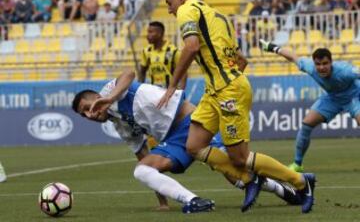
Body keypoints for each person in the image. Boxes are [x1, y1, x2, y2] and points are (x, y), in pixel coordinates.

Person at [157, 0, 316, 213]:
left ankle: (301, 181)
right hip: (216, 91)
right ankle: (250, 180)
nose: (170, 10)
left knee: (240, 157)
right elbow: (241, 60)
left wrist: (172, 85)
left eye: (169, 4)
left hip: (226, 90)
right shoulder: (217, 16)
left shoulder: (186, 9)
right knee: (193, 146)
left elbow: (190, 47)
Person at [72, 70, 303, 213]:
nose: (89, 114)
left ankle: (286, 188)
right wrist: (162, 201)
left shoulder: (112, 92)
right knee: (141, 170)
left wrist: (109, 98)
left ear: (95, 97)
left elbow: (129, 74)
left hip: (193, 122)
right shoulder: (119, 124)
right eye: (84, 115)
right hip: (174, 141)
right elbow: (142, 154)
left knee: (236, 174)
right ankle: (194, 200)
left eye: (86, 108)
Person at [260, 39, 360, 172]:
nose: (321, 67)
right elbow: (292, 56)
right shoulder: (309, 67)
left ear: (331, 63)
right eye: (318, 64)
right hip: (332, 98)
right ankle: (297, 164)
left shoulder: (345, 70)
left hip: (353, 97)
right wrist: (272, 48)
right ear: (314, 63)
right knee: (306, 124)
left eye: (325, 63)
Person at [139, 21, 187, 89]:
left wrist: (181, 91)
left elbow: (183, 72)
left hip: (170, 92)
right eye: (148, 32)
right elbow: (142, 72)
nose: (147, 35)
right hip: (154, 93)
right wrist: (141, 88)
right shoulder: (146, 51)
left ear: (159, 34)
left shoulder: (173, 51)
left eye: (151, 32)